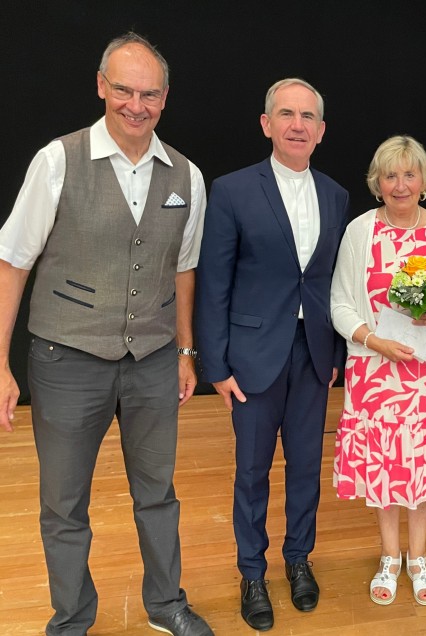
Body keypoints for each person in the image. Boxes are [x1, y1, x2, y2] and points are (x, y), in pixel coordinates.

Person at [0, 32, 212, 636]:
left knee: (158, 493)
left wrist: (185, 351)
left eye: (149, 93)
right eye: (124, 90)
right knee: (64, 503)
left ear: (165, 98)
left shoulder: (188, 176)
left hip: (152, 358)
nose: (135, 105)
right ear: (101, 87)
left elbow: (184, 267)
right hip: (66, 359)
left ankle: (166, 603)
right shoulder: (57, 160)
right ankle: (71, 619)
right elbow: (12, 261)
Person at [195, 78, 349, 632]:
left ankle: (298, 560)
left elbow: (329, 282)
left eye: (308, 116)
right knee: (252, 473)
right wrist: (216, 365)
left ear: (321, 131)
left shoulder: (335, 195)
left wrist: (334, 353)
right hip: (252, 359)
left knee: (306, 469)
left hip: (313, 358)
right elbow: (214, 282)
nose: (297, 124)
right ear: (266, 124)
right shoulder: (233, 190)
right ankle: (252, 573)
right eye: (286, 113)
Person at [330, 135, 426, 606]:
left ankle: (419, 557)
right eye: (390, 175)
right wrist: (374, 342)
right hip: (376, 370)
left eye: (409, 174)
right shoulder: (360, 232)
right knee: (384, 465)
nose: (400, 184)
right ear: (378, 182)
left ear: (424, 181)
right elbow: (340, 303)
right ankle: (390, 556)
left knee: (425, 465)